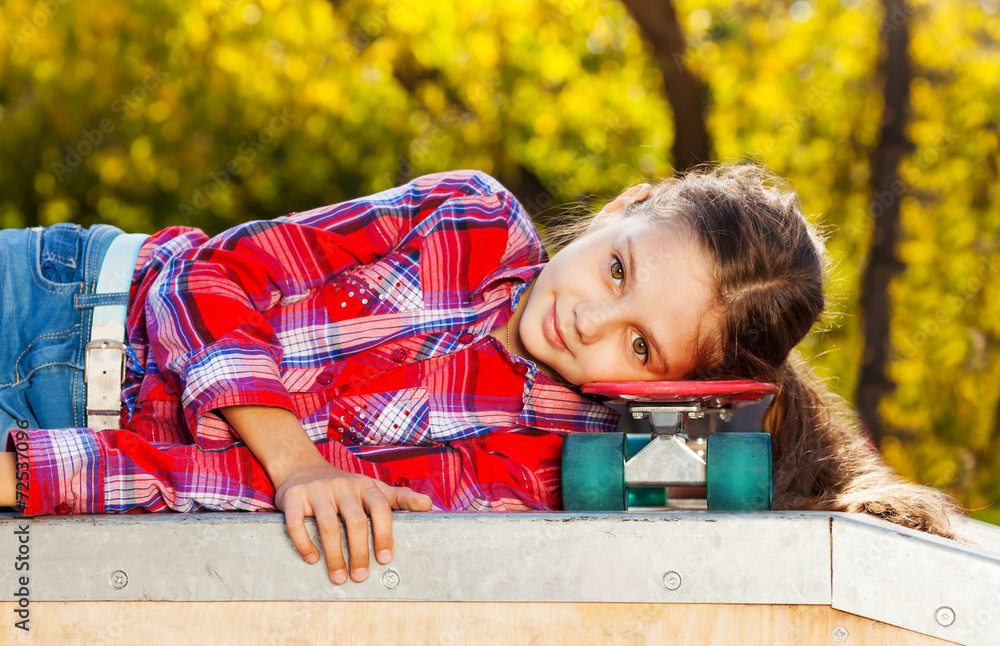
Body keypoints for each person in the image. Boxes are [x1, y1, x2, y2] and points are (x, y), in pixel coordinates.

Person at [0, 165, 962, 587]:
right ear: (627, 206)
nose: (590, 316)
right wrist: (301, 461)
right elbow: (216, 276)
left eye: (639, 349)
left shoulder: (520, 477)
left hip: (69, 446)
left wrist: (42, 472)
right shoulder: (467, 215)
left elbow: (235, 499)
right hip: (69, 291)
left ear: (669, 392)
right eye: (618, 267)